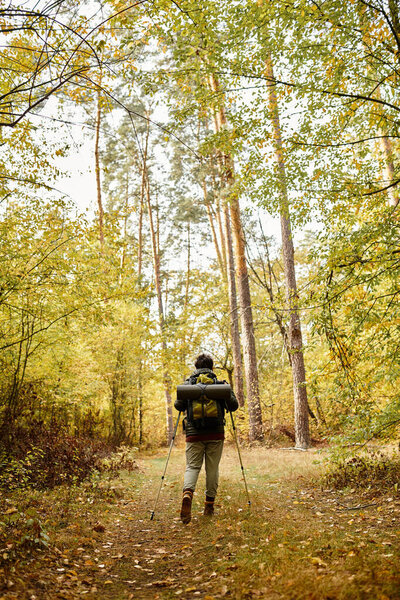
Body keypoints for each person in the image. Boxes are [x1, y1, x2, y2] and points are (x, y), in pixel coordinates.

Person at [174, 353, 238, 524]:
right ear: (211, 367)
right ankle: (209, 505)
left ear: (196, 367)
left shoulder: (188, 385)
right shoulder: (219, 385)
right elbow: (234, 406)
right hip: (216, 433)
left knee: (192, 467)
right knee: (212, 469)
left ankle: (188, 493)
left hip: (194, 434)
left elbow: (178, 405)